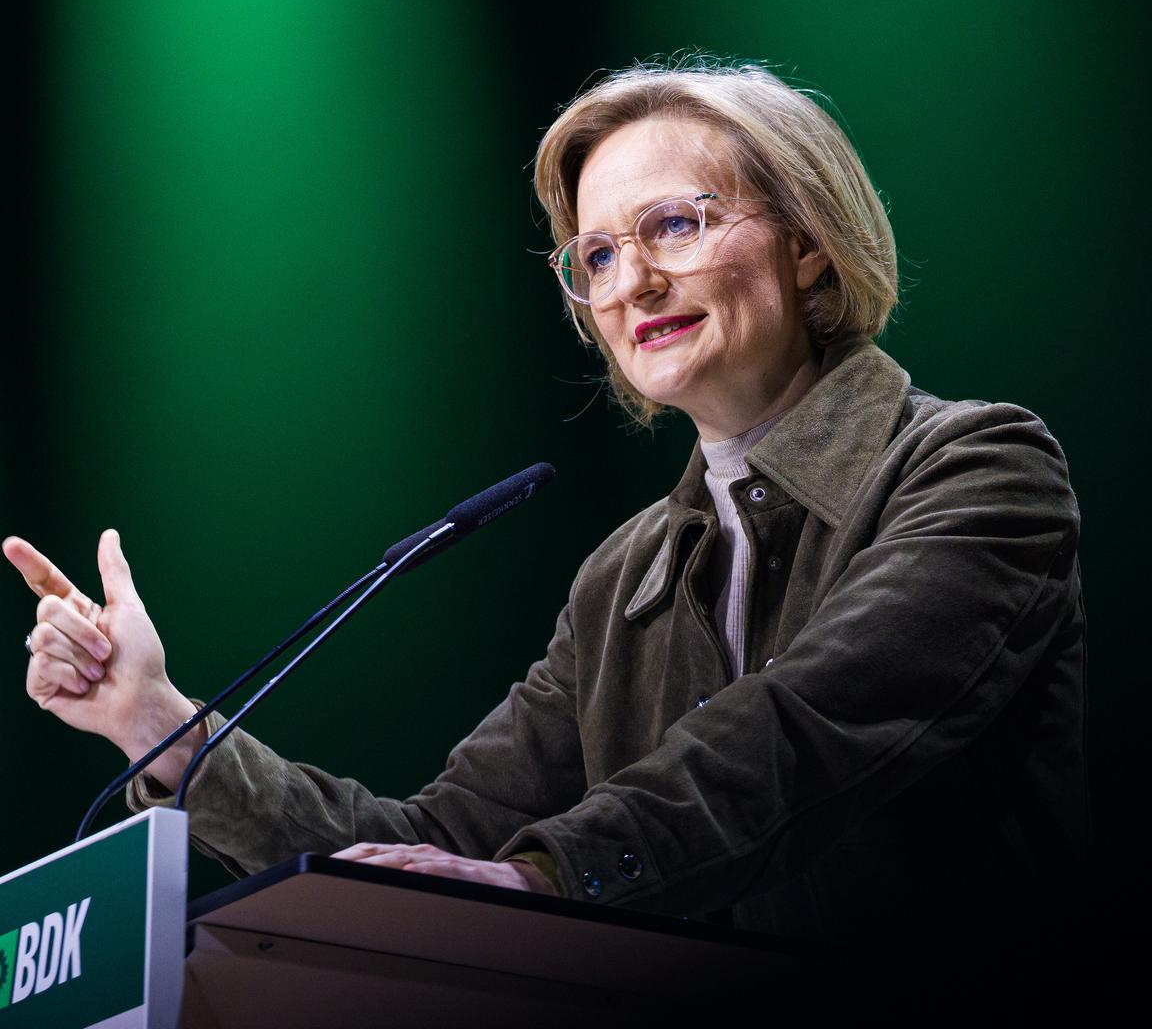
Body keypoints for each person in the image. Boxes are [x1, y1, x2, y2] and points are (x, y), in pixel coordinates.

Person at [5, 61, 1087, 955]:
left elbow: (805, 732)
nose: (631, 285)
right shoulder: (622, 580)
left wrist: (549, 874)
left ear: (807, 242)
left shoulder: (977, 468)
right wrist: (160, 726)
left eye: (674, 226)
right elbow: (432, 845)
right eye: (598, 256)